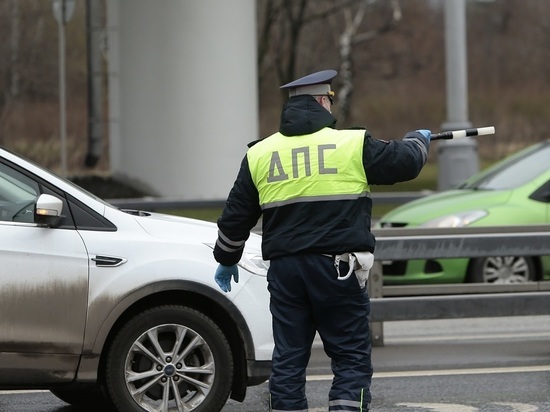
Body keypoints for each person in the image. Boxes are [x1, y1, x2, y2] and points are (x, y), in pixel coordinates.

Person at [213, 69, 430, 412]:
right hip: (337, 269)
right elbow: (404, 163)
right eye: (329, 100)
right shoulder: (351, 144)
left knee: (289, 356)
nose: (331, 107)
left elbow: (235, 215)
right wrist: (418, 141)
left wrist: (226, 258)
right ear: (320, 101)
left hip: (286, 273)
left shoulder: (260, 153)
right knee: (350, 357)